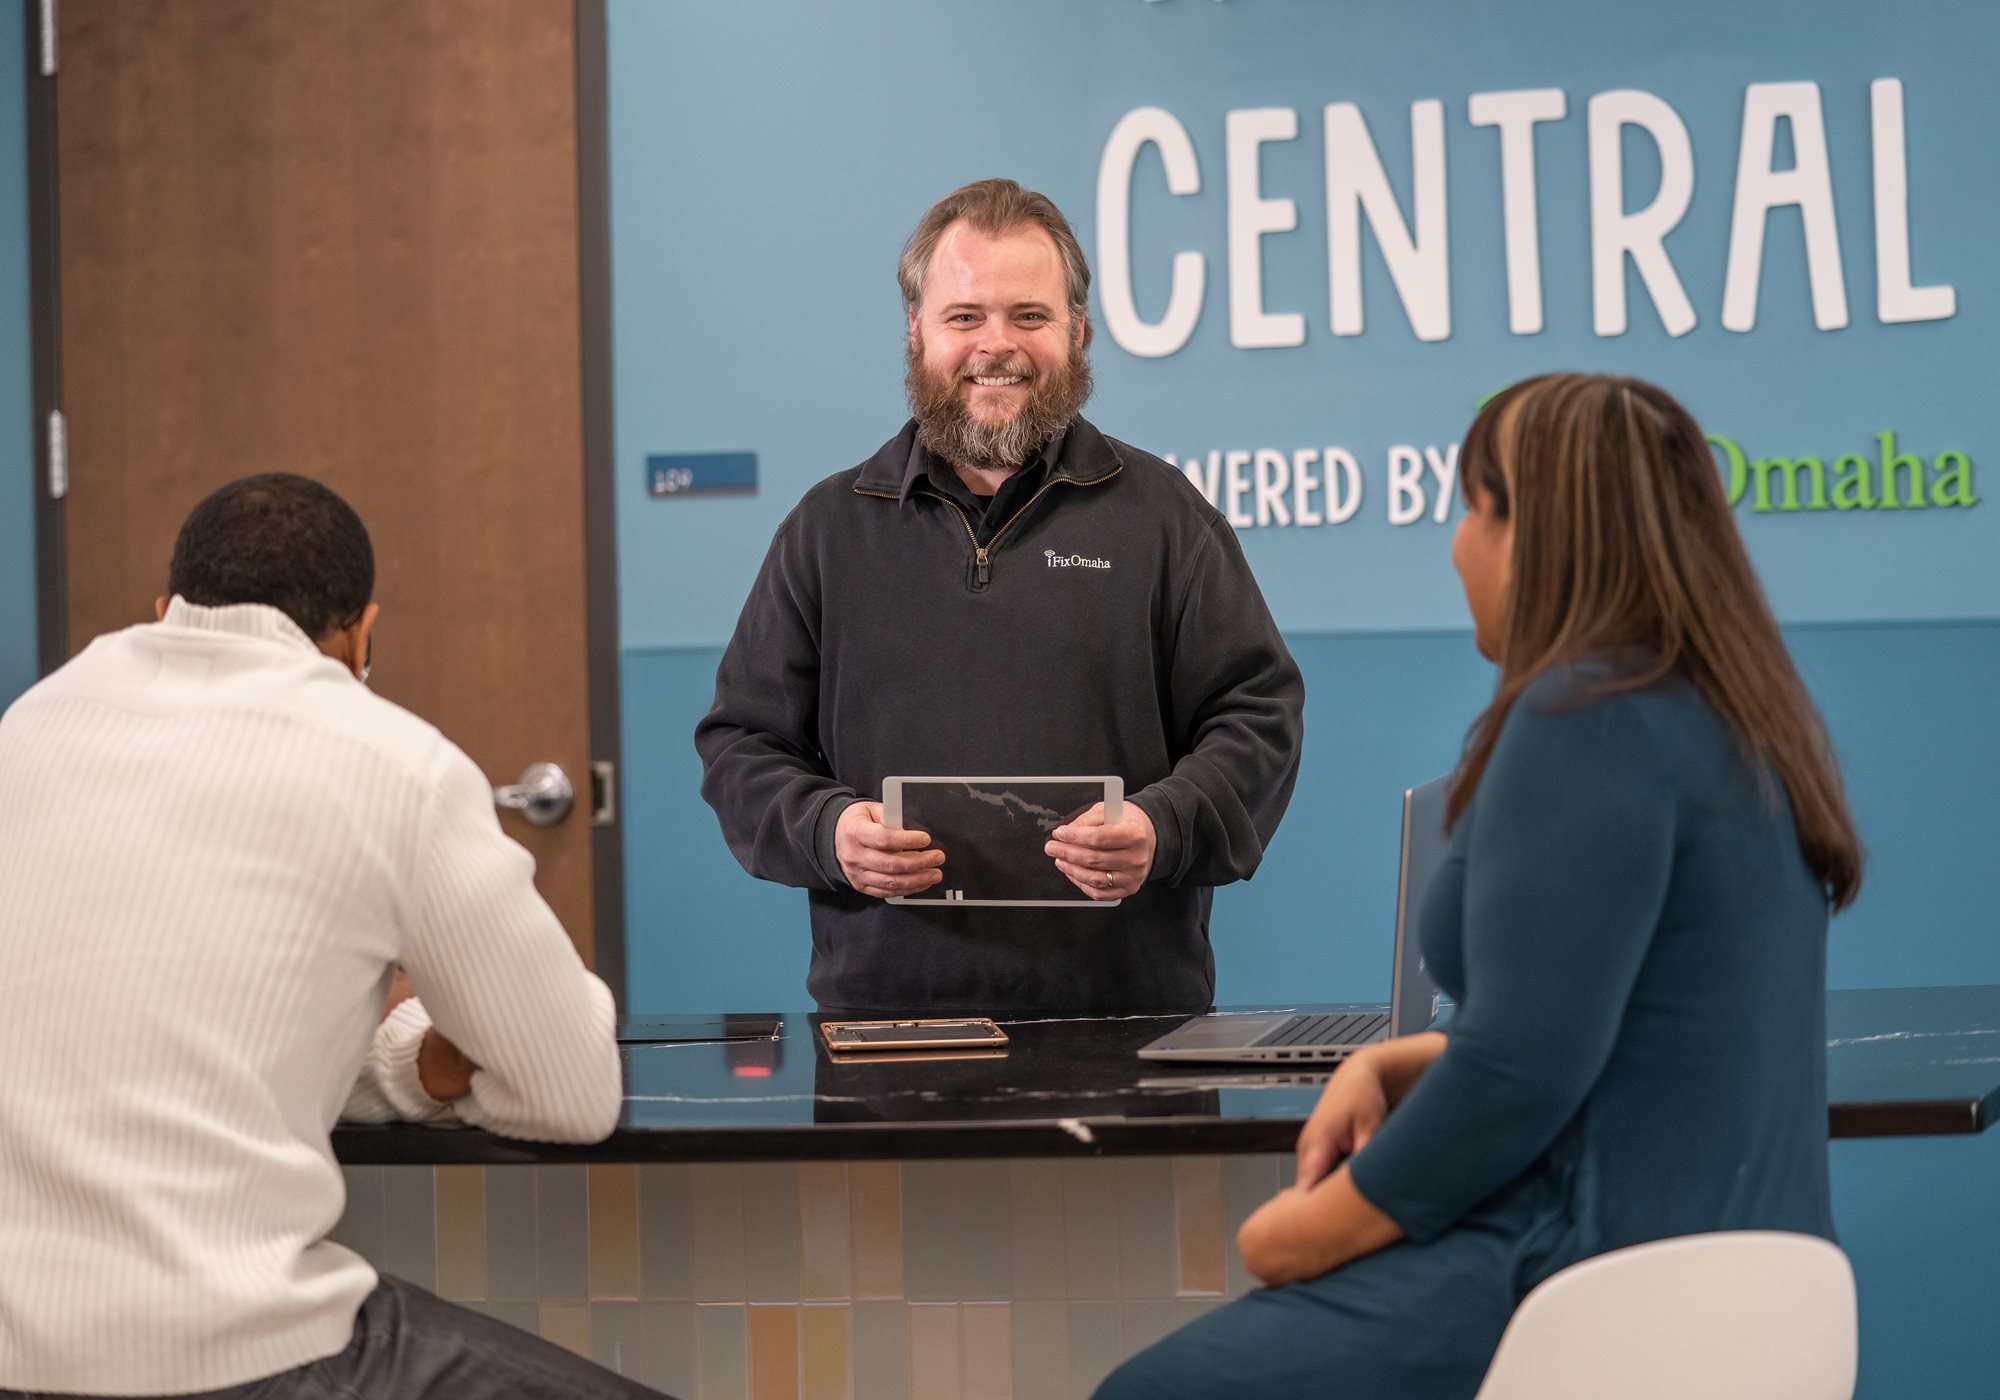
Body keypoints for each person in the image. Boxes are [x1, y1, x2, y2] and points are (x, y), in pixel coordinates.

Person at [1095, 373, 1862, 1398]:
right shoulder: (1733, 720)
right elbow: (1621, 1023)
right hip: (1763, 1287)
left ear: (1534, 532)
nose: (1456, 543)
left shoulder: (1579, 716)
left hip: (1586, 1277)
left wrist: (1306, 1227)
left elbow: (1515, 1071)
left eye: (1472, 508)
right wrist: (1398, 1064)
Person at [0, 475, 670, 1399]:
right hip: (232, 1352)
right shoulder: (395, 763)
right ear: (362, 635)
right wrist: (422, 1038)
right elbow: (571, 1089)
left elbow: (191, 1019)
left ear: (167, 612)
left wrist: (395, 1055)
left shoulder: (28, 729)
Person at [695, 178, 1305, 1016]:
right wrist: (826, 831)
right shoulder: (828, 531)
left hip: (1127, 1023)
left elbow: (1258, 717)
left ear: (1078, 332)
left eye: (1030, 316)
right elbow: (741, 746)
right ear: (916, 331)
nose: (997, 345)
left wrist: (1164, 827)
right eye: (964, 317)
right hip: (885, 1031)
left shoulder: (1167, 519)